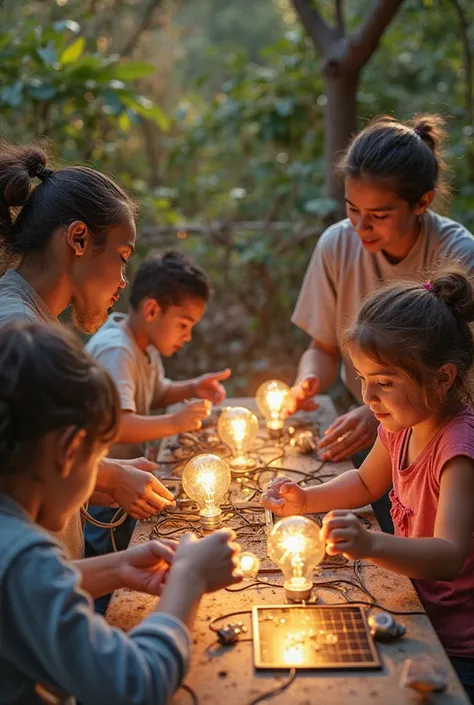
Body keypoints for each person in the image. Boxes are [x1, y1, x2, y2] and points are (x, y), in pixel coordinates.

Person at [0, 320, 242, 705]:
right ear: (69, 451)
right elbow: (133, 685)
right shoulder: (24, 557)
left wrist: (117, 569)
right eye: (98, 459)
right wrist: (189, 579)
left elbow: (23, 596)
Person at [263, 268, 474, 701]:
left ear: (443, 378)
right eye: (362, 379)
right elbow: (364, 481)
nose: (368, 397)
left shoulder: (457, 450)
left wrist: (372, 545)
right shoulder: (400, 423)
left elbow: (449, 555)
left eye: (383, 383)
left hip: (458, 643)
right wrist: (306, 500)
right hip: (412, 606)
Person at [288, 114, 474, 532]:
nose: (361, 226)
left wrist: (380, 413)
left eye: (380, 214)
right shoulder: (337, 244)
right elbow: (321, 349)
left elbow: (462, 375)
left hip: (433, 433)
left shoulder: (459, 255)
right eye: (353, 209)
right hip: (388, 427)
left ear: (422, 203)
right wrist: (306, 384)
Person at [0, 142, 174, 561]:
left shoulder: (34, 318)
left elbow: (32, 464)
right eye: (122, 256)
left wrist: (101, 481)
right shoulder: (15, 330)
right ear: (78, 238)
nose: (123, 280)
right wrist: (110, 474)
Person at [85, 250, 231, 560]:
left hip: (128, 482)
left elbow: (155, 394)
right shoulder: (116, 350)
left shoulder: (142, 345)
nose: (188, 336)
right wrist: (176, 423)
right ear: (152, 310)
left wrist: (192, 387)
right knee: (104, 555)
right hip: (100, 494)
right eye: (183, 325)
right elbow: (119, 426)